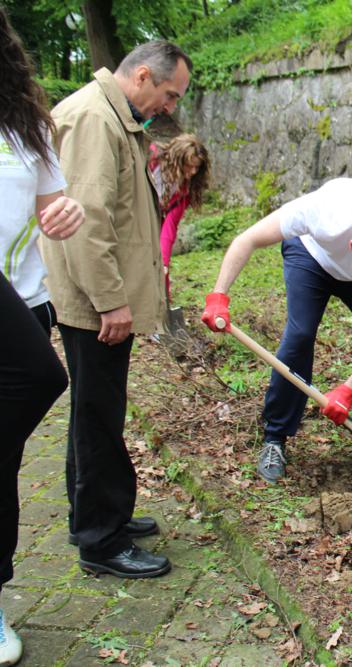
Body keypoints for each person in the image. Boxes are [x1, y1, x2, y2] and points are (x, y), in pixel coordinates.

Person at [41, 40, 194, 579]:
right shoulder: (94, 119)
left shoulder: (115, 117)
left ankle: (95, 516)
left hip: (101, 300)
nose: (169, 107)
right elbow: (85, 222)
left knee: (96, 412)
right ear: (143, 75)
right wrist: (110, 302)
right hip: (96, 304)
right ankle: (100, 542)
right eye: (170, 95)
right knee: (98, 418)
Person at [200, 178, 352, 483]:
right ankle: (275, 438)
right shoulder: (320, 213)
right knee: (299, 336)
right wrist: (218, 296)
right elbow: (247, 240)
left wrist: (348, 389)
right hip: (311, 257)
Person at [0, 7, 84, 661]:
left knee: (4, 468)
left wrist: (68, 211)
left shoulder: (24, 120)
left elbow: (53, 203)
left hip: (22, 307)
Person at [148, 132, 210, 297]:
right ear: (176, 159)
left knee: (161, 274)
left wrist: (164, 262)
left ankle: (162, 306)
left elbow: (169, 227)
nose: (193, 172)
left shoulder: (184, 190)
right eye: (189, 166)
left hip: (155, 223)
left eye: (197, 167)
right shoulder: (151, 159)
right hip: (135, 218)